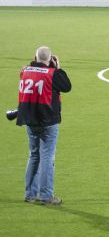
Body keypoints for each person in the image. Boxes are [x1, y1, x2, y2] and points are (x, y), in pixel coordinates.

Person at [17, 46, 71, 205]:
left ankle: (30, 194)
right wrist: (58, 68)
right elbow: (67, 87)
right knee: (47, 158)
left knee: (34, 155)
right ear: (50, 59)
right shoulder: (52, 74)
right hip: (48, 121)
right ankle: (46, 195)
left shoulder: (25, 71)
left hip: (30, 120)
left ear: (35, 57)